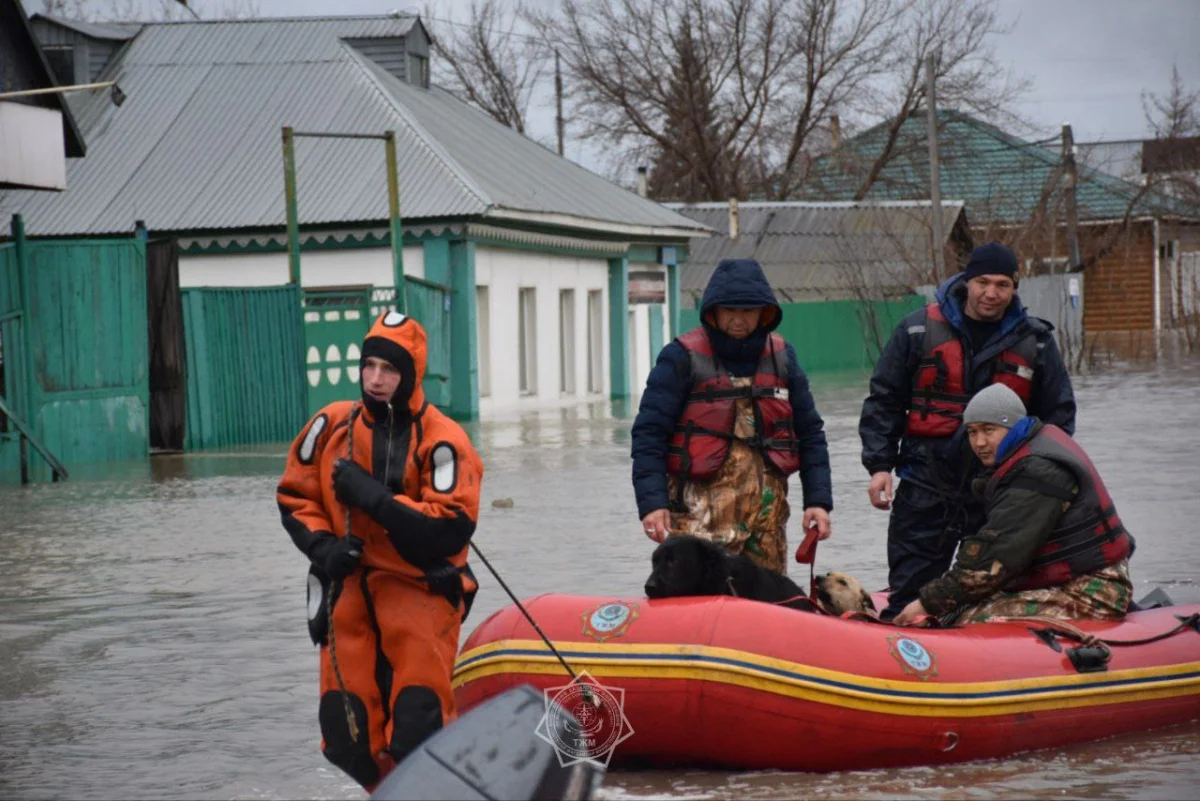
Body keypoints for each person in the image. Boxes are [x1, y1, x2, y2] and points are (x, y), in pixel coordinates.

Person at [277, 310, 484, 792]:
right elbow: (294, 497)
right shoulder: (328, 426)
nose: (376, 379)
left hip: (419, 592)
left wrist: (371, 496)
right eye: (369, 366)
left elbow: (450, 529)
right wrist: (324, 548)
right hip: (343, 592)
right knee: (344, 735)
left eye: (389, 369)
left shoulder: (443, 440)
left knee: (417, 725)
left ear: (410, 374)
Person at [860, 242, 1077, 619]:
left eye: (1002, 285)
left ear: (1014, 288)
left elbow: (1057, 421)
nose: (991, 293)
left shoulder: (1036, 342)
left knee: (999, 593)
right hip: (925, 484)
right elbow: (884, 400)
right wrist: (879, 465)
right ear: (966, 282)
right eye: (982, 283)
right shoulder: (916, 329)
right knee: (910, 591)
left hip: (1000, 489)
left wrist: (1039, 485)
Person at [631, 257, 833, 574]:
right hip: (698, 523)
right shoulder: (680, 358)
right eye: (730, 311)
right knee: (698, 606)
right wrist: (653, 505)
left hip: (766, 522)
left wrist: (818, 501)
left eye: (748, 311)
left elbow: (811, 435)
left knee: (766, 606)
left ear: (763, 313)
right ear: (714, 311)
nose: (738, 320)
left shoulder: (783, 358)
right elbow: (648, 435)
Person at [894, 384, 1135, 625]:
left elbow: (995, 558)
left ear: (1013, 427)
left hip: (1092, 591)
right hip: (1065, 580)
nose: (979, 442)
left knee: (963, 619)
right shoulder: (1029, 451)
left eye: (989, 430)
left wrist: (926, 604)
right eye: (972, 432)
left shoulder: (1038, 471)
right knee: (955, 607)